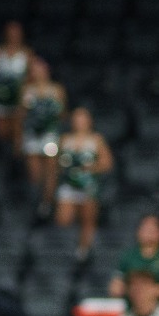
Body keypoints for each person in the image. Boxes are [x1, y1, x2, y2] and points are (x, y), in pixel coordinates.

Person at [55, 107, 111, 259]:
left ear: (89, 121)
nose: (80, 122)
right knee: (63, 219)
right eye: (77, 118)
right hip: (69, 184)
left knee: (88, 219)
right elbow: (57, 162)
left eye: (83, 118)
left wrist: (91, 167)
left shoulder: (96, 139)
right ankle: (66, 249)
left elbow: (107, 163)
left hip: (88, 184)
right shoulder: (65, 139)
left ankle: (84, 252)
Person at [19, 59, 66, 217]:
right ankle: (36, 200)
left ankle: (48, 202)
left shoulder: (56, 89)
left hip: (49, 134)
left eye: (41, 69)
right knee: (35, 172)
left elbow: (62, 113)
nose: (38, 72)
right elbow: (22, 114)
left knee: (51, 168)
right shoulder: (26, 89)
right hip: (32, 135)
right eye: (35, 70)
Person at [109, 213, 159, 302]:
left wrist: (153, 291)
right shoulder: (128, 256)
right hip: (132, 309)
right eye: (145, 227)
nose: (149, 231)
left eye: (153, 228)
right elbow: (115, 287)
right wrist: (135, 291)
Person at [0, 20, 34, 152]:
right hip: (1, 97)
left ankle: (15, 161)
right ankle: (3, 157)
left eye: (16, 32)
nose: (13, 35)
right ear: (5, 34)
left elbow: (31, 77)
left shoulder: (27, 53)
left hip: (19, 97)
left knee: (17, 131)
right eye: (11, 32)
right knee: (2, 133)